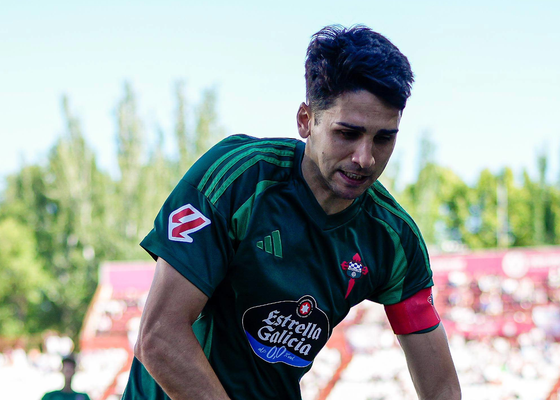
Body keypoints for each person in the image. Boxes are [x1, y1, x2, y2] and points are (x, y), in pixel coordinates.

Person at [122, 25, 461, 400]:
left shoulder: (394, 239)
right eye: (347, 133)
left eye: (384, 138)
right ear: (305, 120)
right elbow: (159, 337)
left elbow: (442, 389)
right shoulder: (237, 180)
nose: (365, 158)